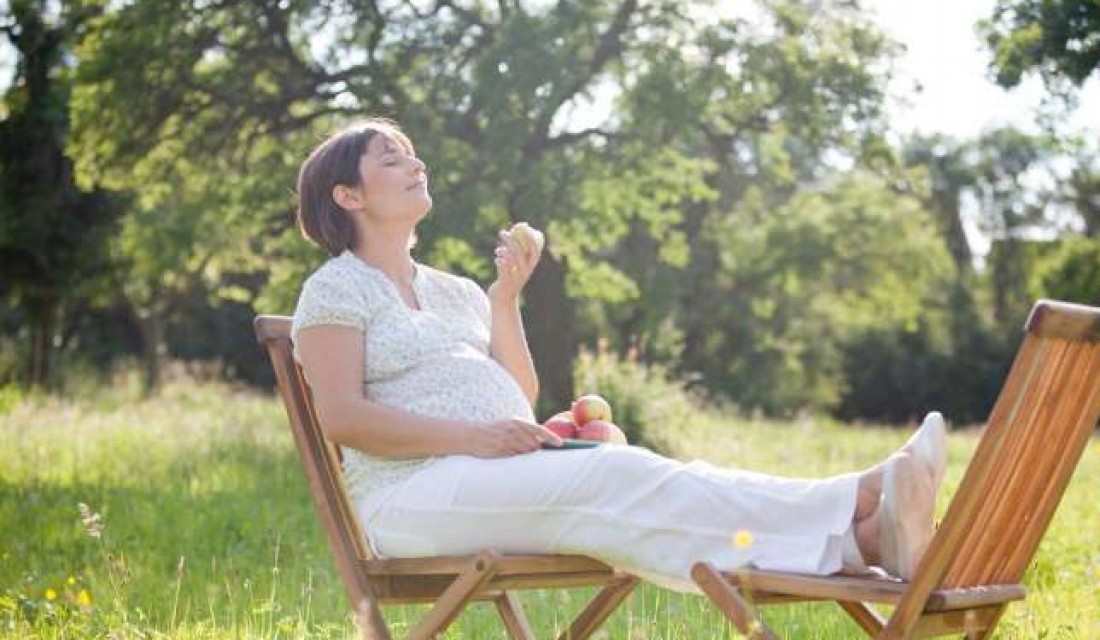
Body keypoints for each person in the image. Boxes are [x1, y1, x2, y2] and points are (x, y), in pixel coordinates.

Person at [290, 118, 948, 593]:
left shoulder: (454, 291)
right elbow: (342, 418)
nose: (415, 165)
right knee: (610, 476)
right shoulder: (337, 288)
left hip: (484, 476)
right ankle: (857, 501)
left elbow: (515, 398)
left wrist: (505, 300)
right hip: (409, 500)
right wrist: (475, 437)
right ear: (348, 196)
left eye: (413, 154)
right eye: (391, 160)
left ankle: (859, 537)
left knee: (634, 477)